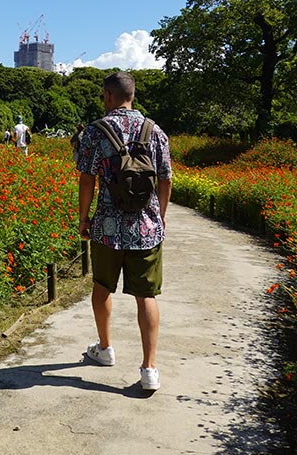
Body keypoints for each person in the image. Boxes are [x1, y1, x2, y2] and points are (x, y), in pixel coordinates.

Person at [74, 71, 172, 391]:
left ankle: (105, 349)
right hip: (146, 228)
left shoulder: (94, 132)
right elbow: (166, 180)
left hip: (107, 227)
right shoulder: (154, 131)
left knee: (102, 287)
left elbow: (87, 179)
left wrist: (84, 218)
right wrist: (161, 217)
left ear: (108, 96)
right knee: (146, 295)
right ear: (132, 95)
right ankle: (149, 369)